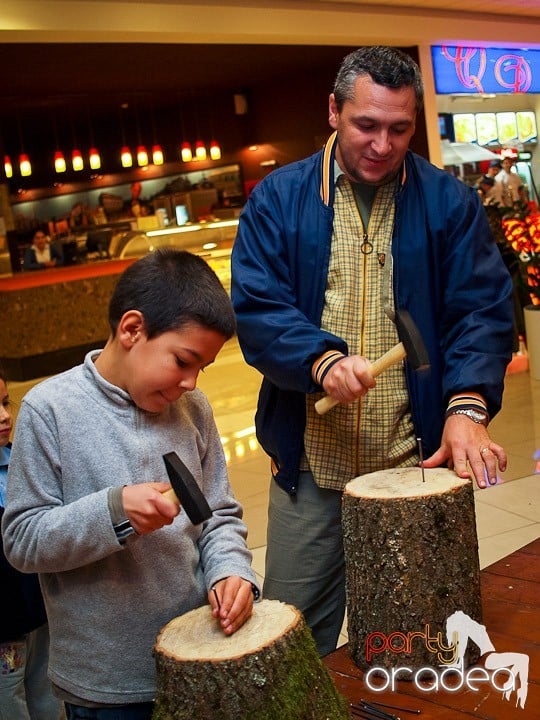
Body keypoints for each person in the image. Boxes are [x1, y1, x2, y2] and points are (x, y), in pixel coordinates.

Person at [231, 46, 514, 656]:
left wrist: (466, 408)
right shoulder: (278, 200)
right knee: (293, 643)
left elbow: (482, 313)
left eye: (399, 128)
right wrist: (321, 361)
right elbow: (258, 309)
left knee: (421, 639)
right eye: (367, 124)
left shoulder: (449, 204)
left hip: (416, 465)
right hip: (311, 469)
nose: (383, 145)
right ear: (333, 111)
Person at [2, 249, 259, 719]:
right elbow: (22, 540)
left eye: (202, 368)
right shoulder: (50, 411)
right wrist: (112, 512)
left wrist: (231, 571)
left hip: (196, 653)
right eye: (183, 361)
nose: (191, 382)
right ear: (132, 329)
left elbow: (217, 515)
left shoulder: (193, 410)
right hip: (105, 685)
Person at [0, 366, 62, 720]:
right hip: (5, 629)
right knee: (11, 701)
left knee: (46, 694)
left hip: (39, 610)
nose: (5, 416)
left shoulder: (23, 459)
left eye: (6, 402)